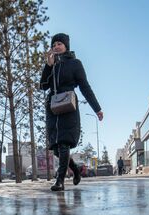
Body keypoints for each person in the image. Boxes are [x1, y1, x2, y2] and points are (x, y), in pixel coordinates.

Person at [39, 33, 104, 191]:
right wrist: (48, 66)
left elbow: (85, 87)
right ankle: (75, 169)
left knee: (63, 143)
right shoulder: (51, 64)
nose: (56, 47)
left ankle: (60, 180)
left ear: (66, 46)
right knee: (56, 148)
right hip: (53, 108)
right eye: (54, 45)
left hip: (68, 106)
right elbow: (43, 86)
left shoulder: (75, 63)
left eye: (59, 44)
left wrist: (97, 108)